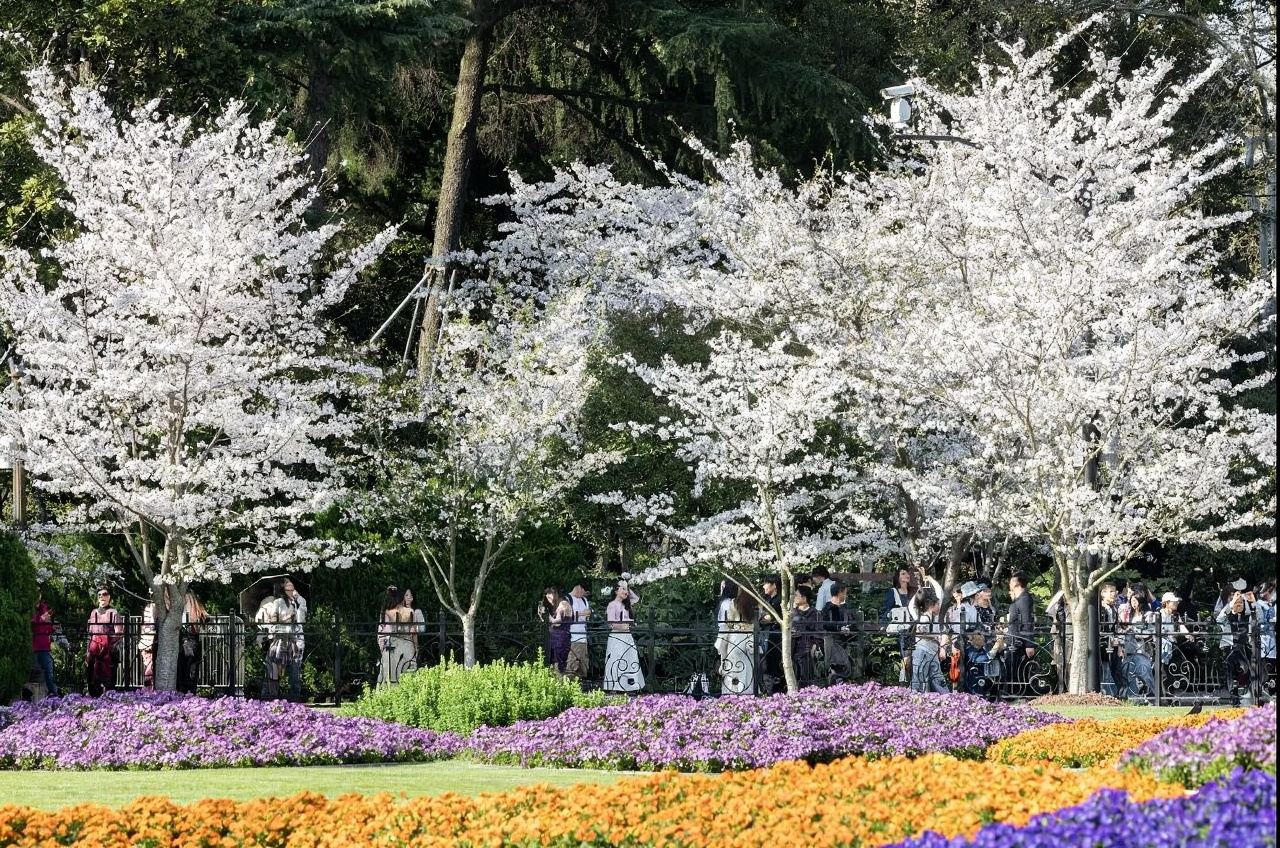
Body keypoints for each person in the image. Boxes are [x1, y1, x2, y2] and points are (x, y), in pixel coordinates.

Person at [715, 584, 756, 695]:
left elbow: (729, 622)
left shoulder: (733, 603)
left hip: (735, 638)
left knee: (733, 667)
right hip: (750, 638)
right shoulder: (756, 604)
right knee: (748, 667)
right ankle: (748, 693)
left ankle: (732, 692)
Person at [604, 580, 644, 693]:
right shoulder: (612, 605)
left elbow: (636, 598)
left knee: (630, 659)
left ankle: (630, 686)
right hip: (617, 636)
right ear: (616, 591)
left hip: (627, 636)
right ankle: (615, 686)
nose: (625, 592)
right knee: (617, 659)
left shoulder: (626, 604)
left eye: (626, 589)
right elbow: (611, 623)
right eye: (622, 589)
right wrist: (624, 626)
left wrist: (627, 585)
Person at [1216, 588, 1255, 706]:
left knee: (1246, 667)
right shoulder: (1227, 616)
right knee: (1231, 666)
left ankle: (1243, 692)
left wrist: (1252, 602)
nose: (1239, 605)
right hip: (1229, 647)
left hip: (1242, 648)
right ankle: (1231, 693)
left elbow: (1258, 617)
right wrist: (1232, 603)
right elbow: (1219, 619)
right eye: (1237, 604)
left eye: (1241, 603)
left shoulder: (1246, 616)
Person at [271, 579, 306, 701]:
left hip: (296, 638)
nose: (291, 592)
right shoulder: (278, 602)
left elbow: (302, 618)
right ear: (283, 591)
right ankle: (274, 697)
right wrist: (285, 618)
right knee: (278, 669)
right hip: (282, 638)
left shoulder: (300, 600)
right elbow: (273, 620)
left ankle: (295, 698)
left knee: (295, 668)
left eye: (293, 589)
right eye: (288, 590)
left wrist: (298, 603)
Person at [86, 587, 123, 696]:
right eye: (99, 595)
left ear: (109, 597)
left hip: (108, 652)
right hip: (94, 650)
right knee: (92, 679)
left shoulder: (113, 613)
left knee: (109, 680)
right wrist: (87, 651)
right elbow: (90, 632)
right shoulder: (93, 613)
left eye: (105, 594)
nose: (102, 597)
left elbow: (119, 633)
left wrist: (108, 645)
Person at [909, 590, 949, 693]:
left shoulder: (933, 619)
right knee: (919, 680)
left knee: (938, 679)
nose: (939, 607)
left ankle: (946, 699)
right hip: (923, 652)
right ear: (932, 605)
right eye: (938, 604)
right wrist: (937, 636)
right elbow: (922, 632)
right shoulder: (924, 618)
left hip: (932, 652)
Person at [1005, 572, 1036, 690]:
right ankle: (1012, 692)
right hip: (1013, 639)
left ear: (1016, 583)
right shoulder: (1018, 599)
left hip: (1019, 641)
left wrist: (1029, 644)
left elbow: (1027, 621)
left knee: (1018, 670)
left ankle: (1018, 693)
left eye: (1011, 581)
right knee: (1012, 669)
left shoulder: (1024, 599)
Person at [377, 586, 413, 686]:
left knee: (388, 675)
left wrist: (382, 648)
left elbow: (380, 634)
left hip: (388, 645)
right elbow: (411, 631)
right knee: (403, 673)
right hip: (405, 644)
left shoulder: (386, 612)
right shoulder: (408, 612)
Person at [821, 581, 857, 682]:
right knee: (837, 662)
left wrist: (849, 629)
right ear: (840, 592)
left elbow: (854, 624)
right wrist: (838, 628)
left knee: (844, 663)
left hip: (845, 641)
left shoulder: (846, 608)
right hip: (832, 640)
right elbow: (824, 624)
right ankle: (835, 677)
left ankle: (838, 679)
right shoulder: (827, 609)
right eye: (845, 592)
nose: (846, 595)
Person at [791, 585, 821, 688]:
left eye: (796, 595)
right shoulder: (792, 612)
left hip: (806, 646)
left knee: (806, 672)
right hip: (792, 646)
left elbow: (817, 630)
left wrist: (815, 645)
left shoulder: (814, 613)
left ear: (804, 598)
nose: (794, 597)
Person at [758, 574, 784, 693]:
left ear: (774, 585)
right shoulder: (767, 599)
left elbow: (769, 618)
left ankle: (777, 689)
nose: (764, 586)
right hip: (767, 635)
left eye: (766, 583)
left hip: (776, 635)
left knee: (775, 663)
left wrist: (766, 618)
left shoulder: (780, 600)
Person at [178, 590, 207, 694]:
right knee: (191, 667)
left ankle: (185, 689)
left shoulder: (186, 604)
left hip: (187, 638)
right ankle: (190, 689)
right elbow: (205, 618)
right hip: (192, 638)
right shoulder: (195, 605)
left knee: (185, 666)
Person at [538, 587, 573, 674]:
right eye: (547, 598)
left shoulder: (563, 604)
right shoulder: (558, 606)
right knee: (555, 665)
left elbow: (557, 622)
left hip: (560, 639)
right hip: (556, 639)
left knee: (559, 665)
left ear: (556, 595)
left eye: (550, 597)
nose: (549, 600)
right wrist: (542, 615)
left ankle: (560, 684)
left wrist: (547, 615)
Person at [255, 594, 281, 698]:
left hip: (279, 646)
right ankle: (269, 694)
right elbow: (261, 633)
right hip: (271, 647)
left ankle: (269, 694)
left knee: (273, 671)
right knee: (271, 671)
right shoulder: (266, 609)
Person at [565, 579, 592, 681]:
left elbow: (587, 615)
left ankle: (580, 684)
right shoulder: (567, 599)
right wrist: (581, 613)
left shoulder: (584, 600)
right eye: (583, 591)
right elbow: (565, 615)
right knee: (571, 664)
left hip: (583, 636)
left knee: (582, 665)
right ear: (578, 588)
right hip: (572, 636)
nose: (583, 594)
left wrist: (588, 613)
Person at [32, 600, 58, 698]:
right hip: (39, 648)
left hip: (45, 648)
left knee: (48, 670)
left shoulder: (46, 618)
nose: (50, 615)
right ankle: (53, 693)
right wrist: (44, 618)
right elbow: (34, 623)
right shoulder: (37, 616)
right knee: (47, 670)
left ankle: (52, 692)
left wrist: (53, 627)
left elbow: (49, 628)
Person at [138, 601, 157, 691]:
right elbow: (152, 624)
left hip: (147, 639)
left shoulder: (149, 606)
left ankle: (148, 686)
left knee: (149, 665)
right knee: (149, 665)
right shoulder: (151, 607)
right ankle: (148, 686)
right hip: (149, 639)